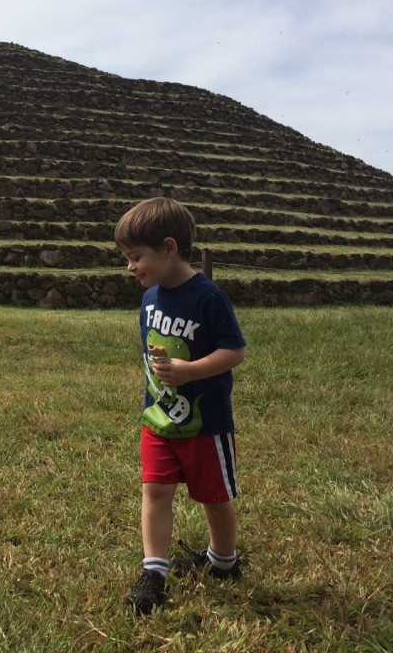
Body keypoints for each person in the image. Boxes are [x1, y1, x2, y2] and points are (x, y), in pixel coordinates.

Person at [114, 197, 247, 614]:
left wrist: (191, 372)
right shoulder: (150, 298)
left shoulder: (208, 297)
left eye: (136, 257)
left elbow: (234, 351)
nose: (130, 267)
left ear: (169, 248)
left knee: (214, 496)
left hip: (205, 423)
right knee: (154, 491)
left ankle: (224, 562)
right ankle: (154, 572)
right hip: (157, 418)